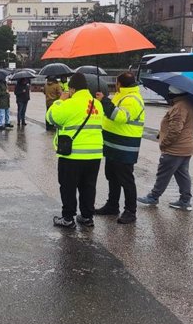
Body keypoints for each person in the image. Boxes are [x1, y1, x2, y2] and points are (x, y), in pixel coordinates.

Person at [46, 72, 104, 228]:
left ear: (72, 89)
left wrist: (59, 101)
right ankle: (86, 217)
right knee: (88, 186)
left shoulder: (69, 103)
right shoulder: (97, 104)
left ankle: (68, 218)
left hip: (72, 154)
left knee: (68, 187)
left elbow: (51, 118)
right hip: (94, 154)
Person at [93, 72, 145, 224]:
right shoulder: (121, 95)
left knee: (126, 179)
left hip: (125, 147)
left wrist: (105, 101)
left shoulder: (132, 99)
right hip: (113, 145)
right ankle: (112, 205)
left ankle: (130, 211)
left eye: (116, 82)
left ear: (120, 84)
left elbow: (120, 116)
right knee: (112, 177)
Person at [137, 85, 193, 211]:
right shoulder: (186, 104)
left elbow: (175, 129)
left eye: (169, 93)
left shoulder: (179, 107)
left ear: (174, 94)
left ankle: (153, 197)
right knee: (182, 174)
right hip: (186, 147)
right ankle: (185, 200)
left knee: (163, 173)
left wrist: (165, 143)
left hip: (176, 148)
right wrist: (162, 133)